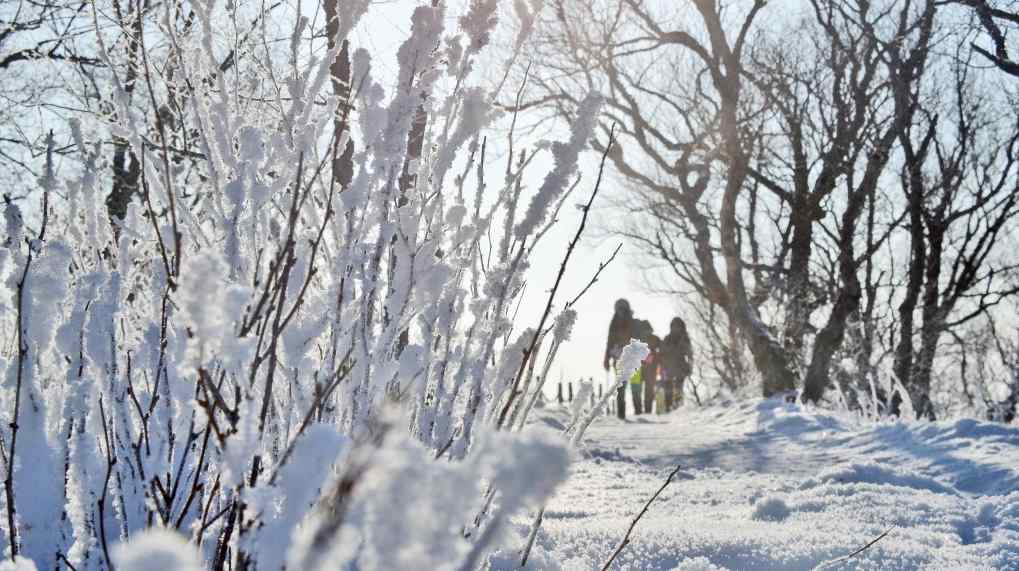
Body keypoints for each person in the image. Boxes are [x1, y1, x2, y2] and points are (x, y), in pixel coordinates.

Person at [604, 298, 635, 419]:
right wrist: (606, 358)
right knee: (620, 385)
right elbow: (609, 341)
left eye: (623, 308)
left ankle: (637, 412)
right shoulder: (613, 324)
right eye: (619, 308)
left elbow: (637, 339)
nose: (621, 311)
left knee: (635, 387)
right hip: (618, 358)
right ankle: (621, 413)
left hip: (632, 358)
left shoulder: (632, 322)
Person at [660, 317, 693, 412]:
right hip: (668, 367)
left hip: (680, 367)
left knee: (679, 388)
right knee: (668, 388)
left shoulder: (685, 339)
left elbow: (690, 354)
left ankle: (678, 408)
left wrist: (690, 367)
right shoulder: (667, 338)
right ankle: (668, 408)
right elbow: (662, 352)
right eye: (674, 326)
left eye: (677, 326)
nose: (676, 328)